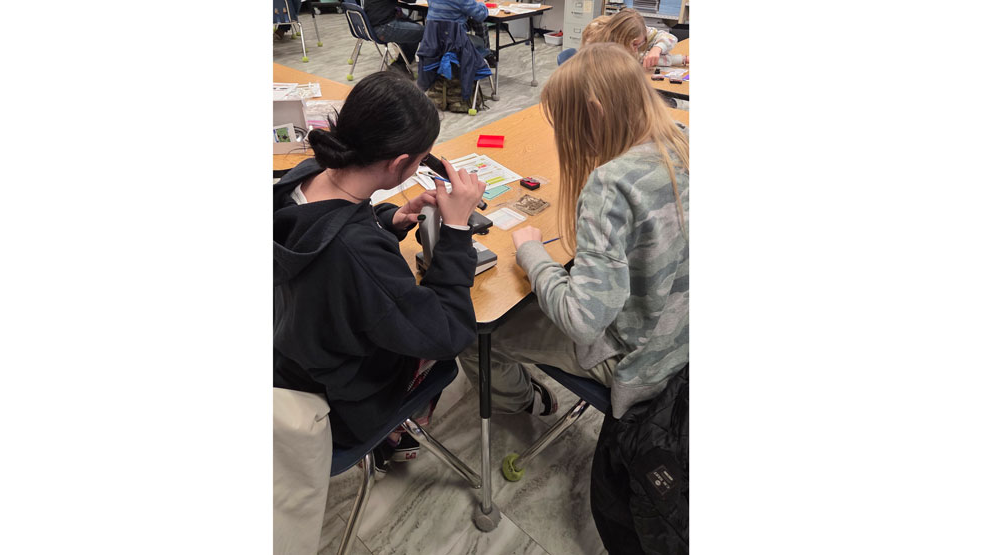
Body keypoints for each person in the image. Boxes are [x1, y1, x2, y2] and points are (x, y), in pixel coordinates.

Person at [457, 43, 689, 550]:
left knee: (474, 328)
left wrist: (531, 253)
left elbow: (583, 321)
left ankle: (525, 400)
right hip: (684, 344)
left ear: (597, 114)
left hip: (642, 369)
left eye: (565, 125)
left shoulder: (612, 182)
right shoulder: (684, 140)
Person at [273, 71, 487, 550]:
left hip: (291, 348)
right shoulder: (357, 254)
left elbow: (328, 235)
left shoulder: (301, 178)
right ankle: (397, 429)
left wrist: (389, 218)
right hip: (341, 398)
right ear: (401, 163)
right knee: (454, 353)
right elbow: (449, 330)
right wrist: (453, 233)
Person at [584, 8, 688, 69]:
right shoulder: (597, 40)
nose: (636, 49)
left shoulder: (636, 29)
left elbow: (670, 37)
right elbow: (639, 58)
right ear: (620, 38)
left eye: (640, 44)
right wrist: (680, 59)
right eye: (634, 44)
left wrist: (657, 48)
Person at [365, 0, 424, 69]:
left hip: (374, 25)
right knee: (425, 32)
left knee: (412, 26)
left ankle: (403, 61)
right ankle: (401, 65)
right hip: (383, 28)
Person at [426, 0, 491, 53]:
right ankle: (482, 61)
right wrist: (481, 2)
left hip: (431, 38)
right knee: (481, 42)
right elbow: (481, 15)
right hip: (454, 41)